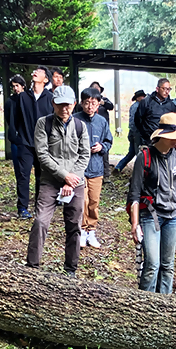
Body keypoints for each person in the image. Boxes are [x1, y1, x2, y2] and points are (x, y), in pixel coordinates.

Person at [26, 85, 91, 275]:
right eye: (60, 105)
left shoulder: (80, 126)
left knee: (74, 225)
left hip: (76, 183)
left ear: (74, 104)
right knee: (40, 221)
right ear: (53, 103)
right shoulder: (43, 123)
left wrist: (72, 179)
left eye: (68, 105)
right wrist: (64, 176)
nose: (64, 109)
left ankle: (71, 269)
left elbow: (84, 155)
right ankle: (32, 267)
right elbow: (42, 155)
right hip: (50, 181)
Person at [128, 114, 176, 294]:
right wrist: (135, 224)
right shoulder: (145, 156)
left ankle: (164, 306)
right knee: (152, 264)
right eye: (172, 137)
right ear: (162, 135)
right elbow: (134, 193)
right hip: (151, 215)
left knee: (167, 264)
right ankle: (144, 304)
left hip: (173, 217)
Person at [10, 66, 53, 219]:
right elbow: (14, 120)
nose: (35, 72)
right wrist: (16, 139)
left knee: (42, 177)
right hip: (25, 143)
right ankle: (22, 208)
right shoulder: (22, 97)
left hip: (43, 145)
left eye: (39, 72)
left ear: (46, 79)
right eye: (35, 71)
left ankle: (39, 208)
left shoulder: (50, 98)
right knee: (23, 176)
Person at [76, 88, 114, 249]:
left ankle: (92, 230)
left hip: (97, 168)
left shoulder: (101, 121)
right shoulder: (75, 120)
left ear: (98, 104)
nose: (89, 106)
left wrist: (102, 147)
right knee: (82, 201)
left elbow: (109, 140)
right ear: (81, 103)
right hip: (80, 168)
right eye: (86, 103)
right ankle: (82, 230)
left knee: (94, 201)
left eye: (93, 103)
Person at [134, 78, 176, 147]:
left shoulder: (171, 105)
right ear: (157, 89)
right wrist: (145, 134)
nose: (167, 92)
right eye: (164, 89)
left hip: (165, 140)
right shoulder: (146, 102)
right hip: (148, 141)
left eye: (169, 89)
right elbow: (137, 120)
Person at [113, 89, 145, 174]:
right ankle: (138, 171)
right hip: (136, 133)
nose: (143, 97)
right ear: (137, 98)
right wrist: (136, 133)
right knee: (138, 153)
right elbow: (134, 122)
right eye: (141, 96)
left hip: (134, 132)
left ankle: (119, 167)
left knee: (132, 153)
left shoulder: (136, 106)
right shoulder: (137, 107)